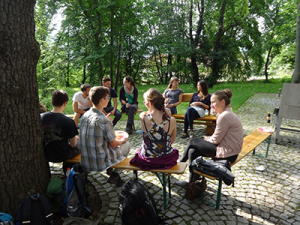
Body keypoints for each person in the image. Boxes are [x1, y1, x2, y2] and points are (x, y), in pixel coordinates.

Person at [176, 89, 243, 187]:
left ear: (222, 102)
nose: (211, 105)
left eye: (213, 102)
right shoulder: (225, 112)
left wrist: (206, 140)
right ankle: (192, 182)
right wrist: (207, 140)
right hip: (229, 149)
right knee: (192, 151)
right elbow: (219, 136)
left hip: (228, 153)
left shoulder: (224, 116)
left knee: (192, 141)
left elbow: (215, 140)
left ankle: (180, 163)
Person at [79, 86, 131, 186]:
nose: (109, 100)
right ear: (102, 100)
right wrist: (123, 141)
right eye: (108, 98)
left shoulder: (85, 115)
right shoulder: (104, 121)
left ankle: (112, 170)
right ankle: (114, 175)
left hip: (86, 158)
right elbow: (113, 144)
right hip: (99, 161)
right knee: (127, 145)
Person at [130, 88, 178, 170]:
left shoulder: (143, 117)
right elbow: (172, 141)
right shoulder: (172, 120)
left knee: (140, 149)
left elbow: (145, 113)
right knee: (174, 151)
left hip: (148, 159)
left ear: (150, 103)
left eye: (145, 102)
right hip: (165, 159)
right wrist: (164, 109)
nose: (145, 104)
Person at [41, 90, 80, 163]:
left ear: (52, 102)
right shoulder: (69, 121)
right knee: (80, 143)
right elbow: (73, 144)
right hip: (62, 155)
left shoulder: (41, 117)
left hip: (46, 154)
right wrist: (75, 138)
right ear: (65, 103)